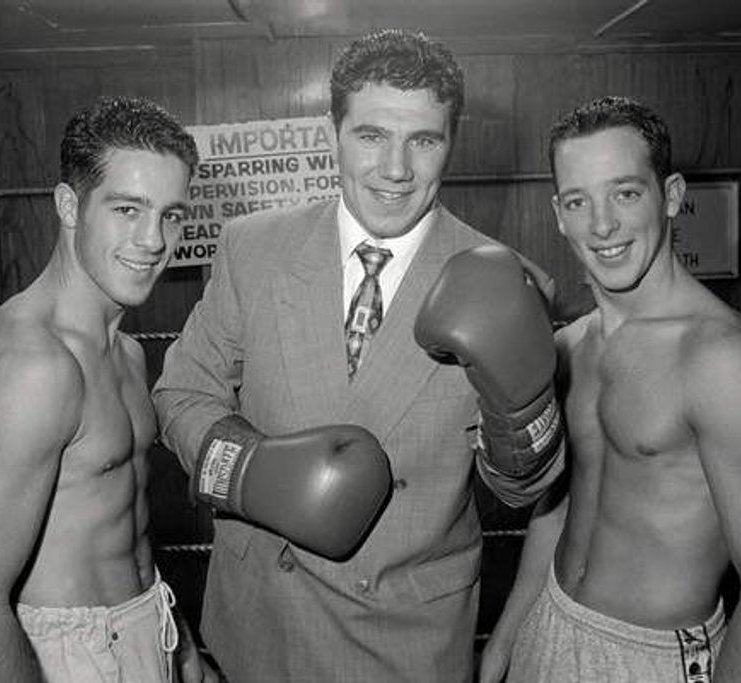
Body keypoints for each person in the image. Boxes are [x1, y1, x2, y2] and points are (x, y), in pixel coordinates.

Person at [152, 29, 565, 683]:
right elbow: (181, 392)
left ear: (451, 141)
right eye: (371, 135)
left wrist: (522, 413)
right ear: (334, 133)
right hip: (255, 629)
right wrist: (254, 474)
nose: (395, 169)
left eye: (423, 140)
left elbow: (525, 489)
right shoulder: (253, 248)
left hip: (403, 645)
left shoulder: (507, 283)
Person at [481, 96, 741, 683]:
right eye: (578, 201)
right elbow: (557, 507)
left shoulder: (723, 361)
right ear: (558, 213)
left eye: (626, 194)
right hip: (549, 623)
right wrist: (508, 638)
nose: (602, 225)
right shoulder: (568, 346)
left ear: (672, 195)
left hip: (651, 656)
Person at [0, 96, 218, 682]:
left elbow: (129, 529)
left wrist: (183, 654)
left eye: (171, 215)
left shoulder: (125, 352)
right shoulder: (32, 366)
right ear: (69, 205)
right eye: (127, 209)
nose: (153, 240)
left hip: (146, 628)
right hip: (62, 658)